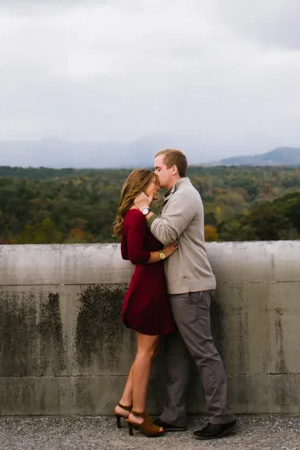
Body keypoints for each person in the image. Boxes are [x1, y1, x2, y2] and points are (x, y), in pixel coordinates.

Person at [135, 149, 237, 441]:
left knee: (204, 353)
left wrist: (144, 210)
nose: (154, 173)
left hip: (190, 287)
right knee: (177, 353)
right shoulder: (176, 196)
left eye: (157, 168)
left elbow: (166, 233)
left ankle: (222, 416)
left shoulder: (184, 197)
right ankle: (174, 414)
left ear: (173, 171)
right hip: (180, 287)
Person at [114, 168, 179, 438]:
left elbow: (126, 250)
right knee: (145, 351)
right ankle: (139, 414)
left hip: (146, 287)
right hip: (148, 289)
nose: (157, 190)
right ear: (141, 187)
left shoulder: (131, 215)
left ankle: (124, 404)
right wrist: (164, 253)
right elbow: (136, 255)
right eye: (153, 185)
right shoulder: (137, 216)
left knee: (149, 350)